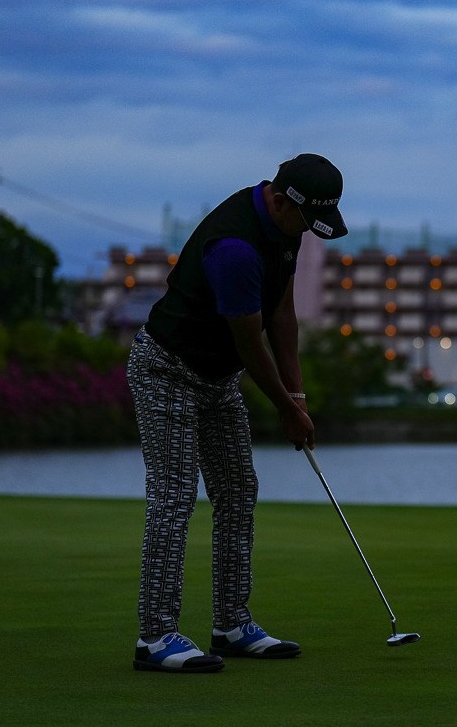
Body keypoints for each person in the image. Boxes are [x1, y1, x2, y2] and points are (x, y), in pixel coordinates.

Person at [127, 153, 348, 673]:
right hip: (166, 370)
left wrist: (298, 396)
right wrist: (285, 410)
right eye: (306, 221)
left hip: (217, 378)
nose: (308, 232)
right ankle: (155, 637)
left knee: (238, 490)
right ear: (280, 200)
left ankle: (231, 624)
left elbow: (281, 313)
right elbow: (250, 344)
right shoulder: (235, 248)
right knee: (174, 496)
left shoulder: (286, 225)